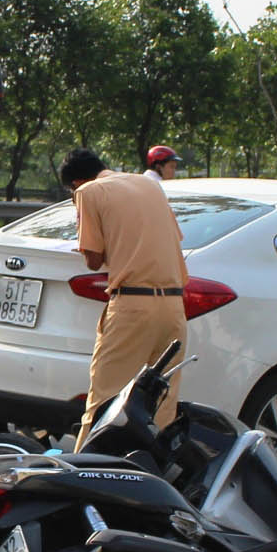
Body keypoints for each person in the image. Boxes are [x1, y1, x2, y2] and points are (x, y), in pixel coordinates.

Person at [61, 148, 190, 452]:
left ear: (76, 182)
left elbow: (93, 260)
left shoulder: (89, 192)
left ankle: (84, 482)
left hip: (133, 305)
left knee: (105, 403)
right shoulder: (149, 185)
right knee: (161, 409)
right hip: (173, 307)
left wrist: (82, 215)